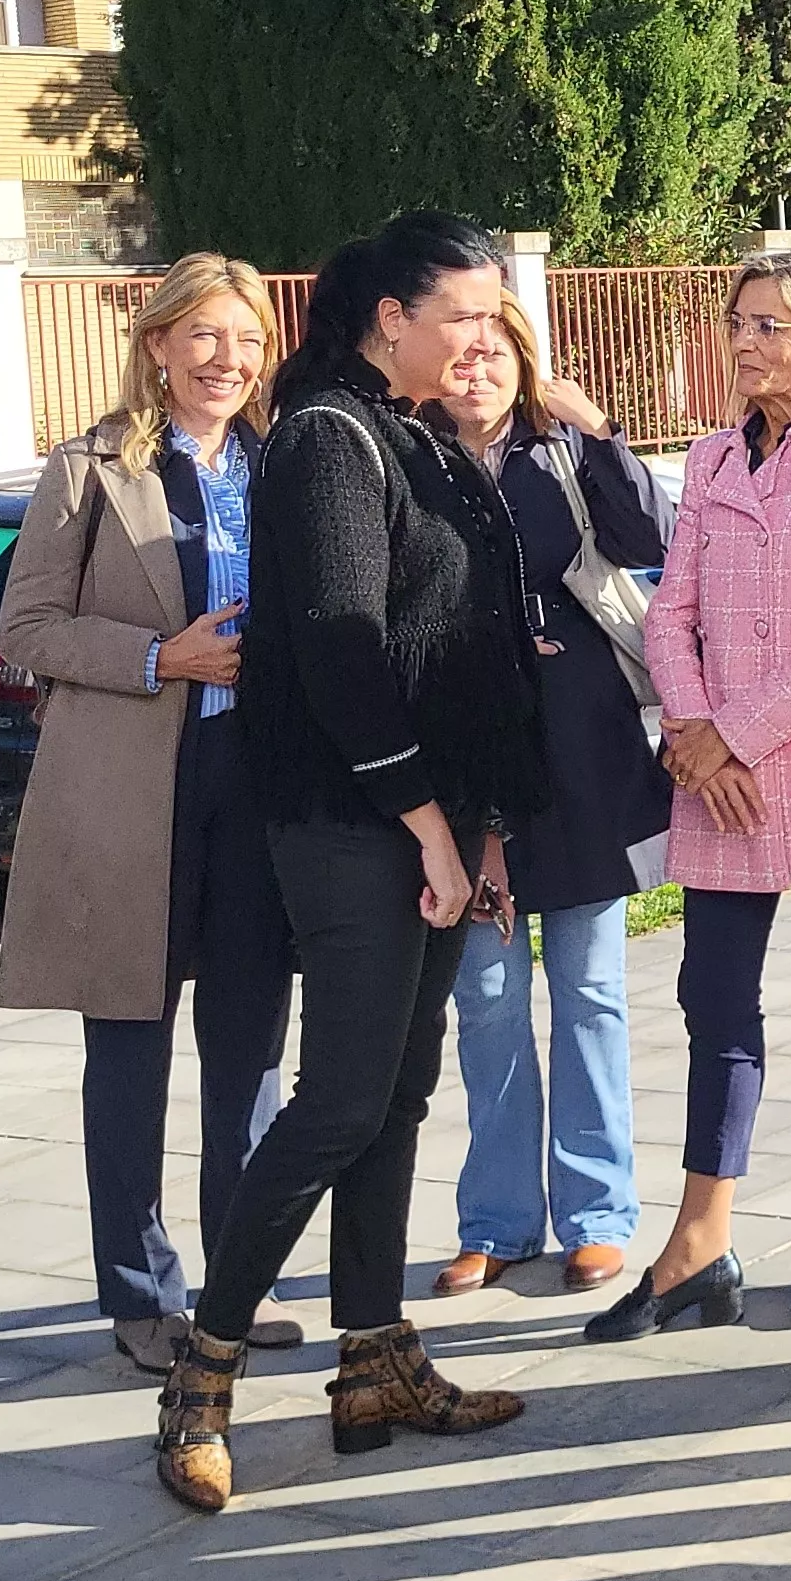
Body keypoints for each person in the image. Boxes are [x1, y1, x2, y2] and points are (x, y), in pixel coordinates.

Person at [154, 212, 538, 1513]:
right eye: (466, 313)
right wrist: (427, 819)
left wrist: (475, 823)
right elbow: (337, 641)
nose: (485, 336)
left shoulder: (422, 432)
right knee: (337, 1100)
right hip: (348, 819)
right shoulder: (330, 435)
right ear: (391, 318)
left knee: (396, 1092)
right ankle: (199, 1375)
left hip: (427, 816)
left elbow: (465, 648)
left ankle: (375, 1358)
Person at [0, 254, 304, 1375]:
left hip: (261, 788)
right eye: (207, 337)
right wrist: (155, 655)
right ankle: (137, 1290)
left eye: (249, 340)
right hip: (134, 791)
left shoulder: (287, 463)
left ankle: (233, 1284)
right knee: (128, 1048)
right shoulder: (91, 467)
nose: (230, 360)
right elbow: (26, 627)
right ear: (160, 344)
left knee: (251, 1052)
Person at [590, 248, 791, 1346]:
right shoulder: (713, 457)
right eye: (739, 322)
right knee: (714, 1001)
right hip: (716, 786)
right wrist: (692, 732)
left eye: (772, 323)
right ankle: (699, 1241)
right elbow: (671, 613)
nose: (748, 341)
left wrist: (732, 737)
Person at [432, 296, 672, 1301]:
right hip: (465, 764)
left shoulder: (559, 451)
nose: (476, 370)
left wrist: (600, 429)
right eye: (461, 355)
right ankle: (495, 1219)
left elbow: (651, 534)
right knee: (484, 1001)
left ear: (520, 362)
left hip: (583, 755)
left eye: (494, 354)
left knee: (590, 991)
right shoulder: (415, 458)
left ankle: (597, 1212)